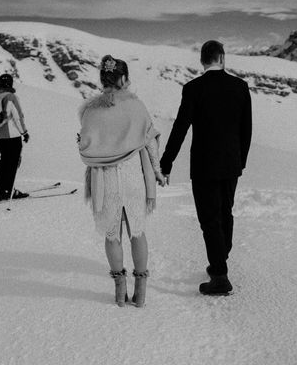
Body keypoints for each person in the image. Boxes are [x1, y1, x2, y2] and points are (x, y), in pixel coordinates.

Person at [160, 40, 252, 295]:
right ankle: (219, 260)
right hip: (231, 164)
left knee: (210, 220)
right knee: (225, 214)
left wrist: (166, 162)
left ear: (202, 61)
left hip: (203, 165)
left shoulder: (193, 88)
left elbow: (180, 128)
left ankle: (220, 276)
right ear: (222, 58)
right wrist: (240, 162)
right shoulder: (240, 87)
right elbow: (246, 130)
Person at [78, 55, 166, 308]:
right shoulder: (136, 106)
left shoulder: (90, 111)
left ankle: (119, 290)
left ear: (102, 79)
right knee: (137, 231)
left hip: (104, 178)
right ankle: (141, 292)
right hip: (133, 175)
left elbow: (85, 147)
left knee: (112, 233)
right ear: (124, 78)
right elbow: (149, 141)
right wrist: (157, 171)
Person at [0, 73, 30, 201]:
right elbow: (17, 117)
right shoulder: (11, 97)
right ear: (11, 84)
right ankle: (8, 190)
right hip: (12, 135)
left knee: (4, 161)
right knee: (12, 163)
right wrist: (24, 132)